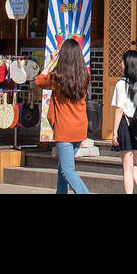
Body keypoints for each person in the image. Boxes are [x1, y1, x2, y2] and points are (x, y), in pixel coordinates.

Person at [34, 39, 91, 194]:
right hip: (80, 127)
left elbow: (38, 81)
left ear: (63, 56)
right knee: (62, 168)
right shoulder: (86, 75)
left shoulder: (57, 78)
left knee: (66, 169)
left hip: (64, 129)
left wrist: (51, 62)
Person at [110, 49, 137, 194]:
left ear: (128, 64)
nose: (120, 64)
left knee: (127, 167)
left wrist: (114, 131)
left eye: (122, 62)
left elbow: (119, 110)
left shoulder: (121, 84)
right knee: (133, 163)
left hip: (126, 126)